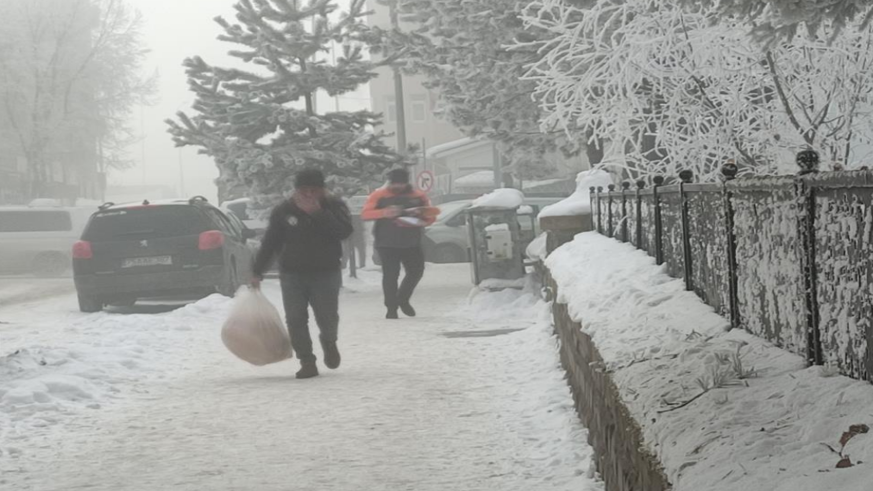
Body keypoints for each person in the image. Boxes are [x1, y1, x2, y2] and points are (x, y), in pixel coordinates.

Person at [251, 169, 353, 379]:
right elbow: (271, 242)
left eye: (313, 190)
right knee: (295, 319)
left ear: (322, 190)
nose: (308, 195)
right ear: (296, 190)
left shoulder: (334, 206)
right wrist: (257, 271)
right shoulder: (284, 211)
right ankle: (307, 361)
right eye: (303, 190)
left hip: (326, 272)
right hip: (292, 273)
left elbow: (344, 232)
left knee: (327, 317)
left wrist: (318, 213)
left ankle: (329, 341)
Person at [361, 168, 436, 319]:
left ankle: (403, 298)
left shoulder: (418, 196)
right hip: (386, 243)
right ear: (390, 182)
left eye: (401, 184)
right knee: (390, 275)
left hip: (412, 242)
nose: (398, 187)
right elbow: (365, 214)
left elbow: (431, 216)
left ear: (406, 183)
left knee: (416, 271)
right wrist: (384, 213)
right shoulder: (379, 195)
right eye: (395, 183)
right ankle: (391, 308)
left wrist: (421, 217)